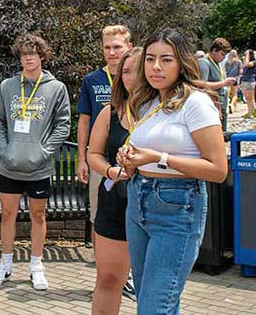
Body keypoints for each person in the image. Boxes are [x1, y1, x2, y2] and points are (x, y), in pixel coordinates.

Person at [117, 28, 228, 313]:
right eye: (150, 59)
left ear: (181, 63)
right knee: (154, 303)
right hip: (138, 200)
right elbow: (144, 151)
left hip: (178, 208)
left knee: (154, 308)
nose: (156, 67)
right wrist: (130, 158)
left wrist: (159, 157)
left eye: (166, 59)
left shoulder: (197, 102)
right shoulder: (147, 101)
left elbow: (218, 169)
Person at [0, 33, 71, 291]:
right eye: (24, 55)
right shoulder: (7, 86)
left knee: (38, 215)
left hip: (39, 166)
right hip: (10, 165)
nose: (28, 59)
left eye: (33, 54)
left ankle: (36, 264)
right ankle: (6, 262)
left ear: (42, 56)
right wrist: (5, 149)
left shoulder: (56, 88)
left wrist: (45, 151)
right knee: (8, 215)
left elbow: (63, 124)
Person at [87, 48, 141, 314]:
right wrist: (111, 171)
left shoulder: (167, 113)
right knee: (108, 279)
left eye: (137, 70)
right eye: (126, 71)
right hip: (115, 203)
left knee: (151, 286)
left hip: (153, 204)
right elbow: (93, 154)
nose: (131, 77)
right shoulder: (110, 112)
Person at [77, 26, 131, 242]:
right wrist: (82, 159)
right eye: (107, 47)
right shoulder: (93, 80)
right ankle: (101, 262)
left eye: (117, 47)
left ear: (129, 47)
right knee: (98, 211)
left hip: (133, 157)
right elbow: (84, 120)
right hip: (101, 158)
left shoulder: (142, 79)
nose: (112, 52)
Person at [197, 37, 236, 131]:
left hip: (221, 102)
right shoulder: (204, 62)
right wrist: (223, 83)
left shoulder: (216, 63)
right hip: (212, 103)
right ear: (214, 50)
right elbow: (201, 85)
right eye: (222, 54)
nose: (223, 58)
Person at [239, 49, 256, 118]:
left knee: (251, 99)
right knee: (247, 98)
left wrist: (248, 55)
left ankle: (252, 113)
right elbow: (242, 69)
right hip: (245, 80)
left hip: (250, 80)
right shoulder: (245, 61)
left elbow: (248, 64)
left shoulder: (254, 62)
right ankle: (249, 112)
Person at [224, 49, 242, 114]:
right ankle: (232, 104)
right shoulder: (239, 62)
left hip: (227, 79)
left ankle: (229, 105)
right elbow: (240, 71)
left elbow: (225, 71)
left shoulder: (226, 62)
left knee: (228, 94)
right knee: (235, 94)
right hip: (235, 79)